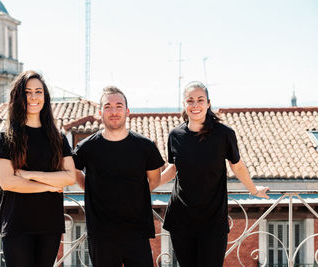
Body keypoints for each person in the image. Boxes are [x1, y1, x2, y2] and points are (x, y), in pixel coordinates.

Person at [160, 81, 269, 267]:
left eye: (200, 100)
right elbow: (173, 168)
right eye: (190, 100)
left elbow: (237, 166)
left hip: (213, 220)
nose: (195, 105)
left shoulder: (224, 134)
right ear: (185, 104)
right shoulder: (175, 135)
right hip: (181, 217)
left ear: (208, 103)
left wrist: (253, 189)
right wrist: (146, 186)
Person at [0, 70, 76, 267]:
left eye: (38, 92)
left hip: (49, 224)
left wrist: (30, 175)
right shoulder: (7, 137)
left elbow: (70, 177)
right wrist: (49, 185)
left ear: (45, 96)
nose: (34, 97)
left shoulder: (58, 137)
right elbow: (8, 182)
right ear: (18, 97)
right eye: (27, 92)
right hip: (16, 224)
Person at [73, 86, 165, 267]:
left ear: (127, 111)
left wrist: (133, 192)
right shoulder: (86, 147)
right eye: (108, 106)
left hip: (137, 232)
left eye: (118, 106)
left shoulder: (145, 146)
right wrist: (91, 189)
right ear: (100, 113)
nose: (113, 111)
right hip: (101, 234)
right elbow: (75, 172)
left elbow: (155, 179)